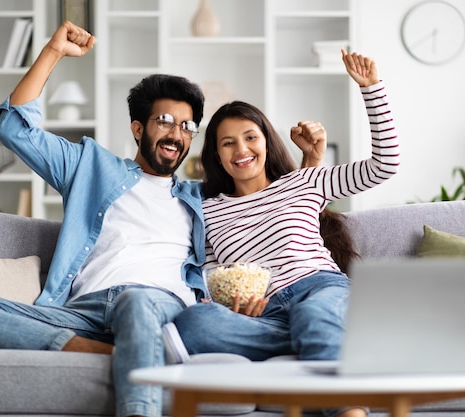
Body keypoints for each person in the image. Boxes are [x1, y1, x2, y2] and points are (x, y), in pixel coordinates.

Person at [0, 21, 325, 417]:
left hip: (157, 307)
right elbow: (14, 129)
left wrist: (311, 162)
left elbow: (272, 211)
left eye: (187, 126)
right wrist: (53, 52)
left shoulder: (202, 197)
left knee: (136, 300)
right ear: (138, 128)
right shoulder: (91, 166)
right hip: (81, 313)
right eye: (164, 122)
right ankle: (116, 352)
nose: (177, 133)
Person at [163, 49, 400, 417]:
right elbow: (210, 273)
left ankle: (348, 409)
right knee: (193, 324)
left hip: (321, 288)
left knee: (315, 315)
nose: (241, 149)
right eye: (228, 143)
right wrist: (231, 306)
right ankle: (323, 341)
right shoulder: (207, 209)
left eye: (250, 137)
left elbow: (385, 165)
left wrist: (372, 89)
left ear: (266, 141)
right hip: (265, 314)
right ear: (217, 154)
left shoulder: (305, 181)